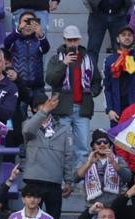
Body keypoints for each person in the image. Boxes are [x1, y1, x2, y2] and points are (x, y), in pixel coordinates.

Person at [46, 25, 102, 164]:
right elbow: (50, 80)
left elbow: (97, 81)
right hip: (62, 109)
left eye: (75, 40)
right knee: (61, 147)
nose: (72, 43)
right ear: (64, 40)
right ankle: (63, 182)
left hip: (82, 109)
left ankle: (80, 182)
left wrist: (91, 93)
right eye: (69, 40)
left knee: (82, 149)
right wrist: (63, 64)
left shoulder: (88, 58)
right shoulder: (56, 58)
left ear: (79, 40)